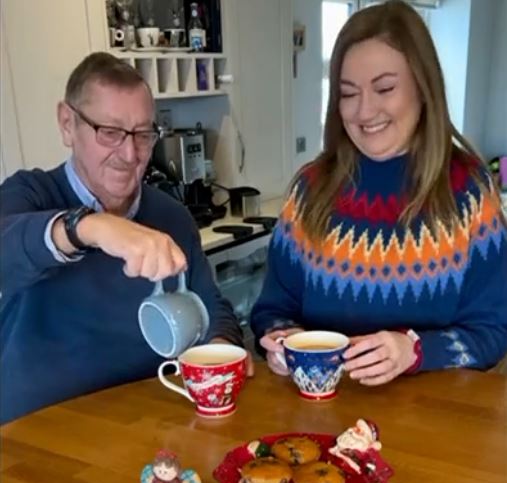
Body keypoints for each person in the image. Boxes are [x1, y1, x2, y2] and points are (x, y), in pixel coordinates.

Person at [251, 0, 507, 383]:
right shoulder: (309, 189)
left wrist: (416, 351)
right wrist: (281, 339)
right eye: (348, 93)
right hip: (322, 424)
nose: (364, 111)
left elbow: (492, 334)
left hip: (435, 429)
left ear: (423, 88)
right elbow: (272, 310)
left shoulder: (469, 192)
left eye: (384, 88)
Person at [0, 52, 249, 424]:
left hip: (146, 427)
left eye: (143, 134)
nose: (130, 154)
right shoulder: (32, 193)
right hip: (36, 437)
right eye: (111, 133)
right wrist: (91, 227)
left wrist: (220, 351)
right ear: (68, 124)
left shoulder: (171, 216)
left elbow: (212, 309)